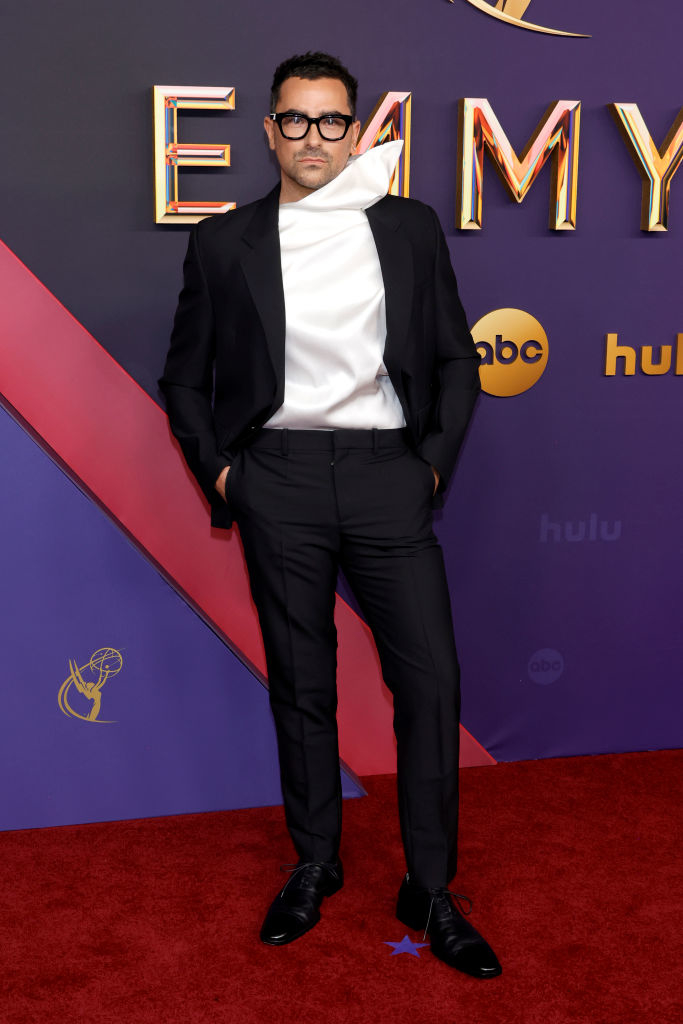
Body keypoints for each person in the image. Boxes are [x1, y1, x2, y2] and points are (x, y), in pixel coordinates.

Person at [160, 51, 501, 979]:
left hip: (389, 471)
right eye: (296, 120)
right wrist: (226, 477)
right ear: (270, 131)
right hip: (279, 477)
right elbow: (184, 377)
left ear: (356, 130)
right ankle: (315, 862)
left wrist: (428, 467)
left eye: (332, 120)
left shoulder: (409, 227)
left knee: (430, 683)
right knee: (302, 683)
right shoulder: (224, 241)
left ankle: (430, 887)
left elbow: (457, 361)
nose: (314, 137)